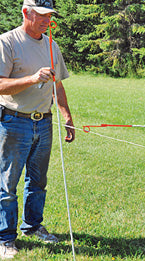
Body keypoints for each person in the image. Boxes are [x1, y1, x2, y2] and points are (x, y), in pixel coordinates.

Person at [0, 0, 75, 258]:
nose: (46, 20)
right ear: (26, 13)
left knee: (38, 181)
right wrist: (33, 78)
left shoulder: (51, 45)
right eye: (41, 15)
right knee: (7, 184)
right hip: (13, 122)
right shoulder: (7, 42)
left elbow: (59, 84)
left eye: (49, 16)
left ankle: (32, 227)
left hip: (43, 122)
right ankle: (5, 239)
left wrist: (66, 114)